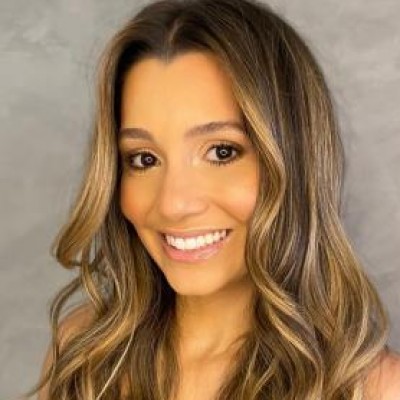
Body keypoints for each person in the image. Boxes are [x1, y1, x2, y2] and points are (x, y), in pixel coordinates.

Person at [22, 0, 400, 399]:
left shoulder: (375, 389)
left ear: (296, 161)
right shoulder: (84, 355)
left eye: (221, 152)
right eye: (144, 159)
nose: (173, 204)